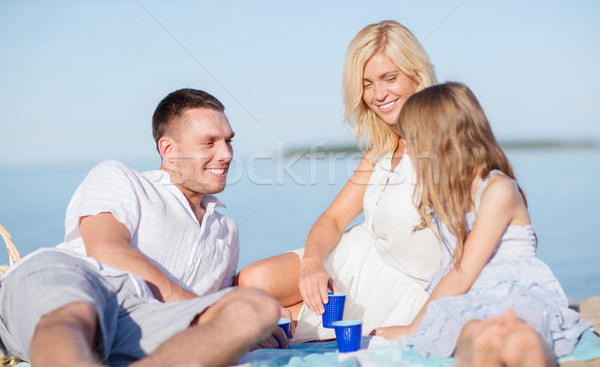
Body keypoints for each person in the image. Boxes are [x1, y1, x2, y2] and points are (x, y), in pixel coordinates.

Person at [0, 88, 286, 367]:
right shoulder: (122, 178)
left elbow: (210, 309)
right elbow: (106, 249)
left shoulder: (226, 232)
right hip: (82, 284)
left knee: (256, 308)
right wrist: (209, 311)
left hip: (145, 323)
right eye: (209, 143)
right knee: (77, 311)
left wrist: (229, 317)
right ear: (168, 150)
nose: (226, 154)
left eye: (228, 141)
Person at [237, 20, 442, 342]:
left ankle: (286, 324)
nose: (379, 94)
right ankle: (285, 321)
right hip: (359, 253)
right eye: (367, 84)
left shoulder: (447, 143)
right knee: (251, 282)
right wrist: (311, 265)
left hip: (404, 280)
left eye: (390, 78)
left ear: (417, 75)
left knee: (258, 313)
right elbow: (334, 218)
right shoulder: (382, 149)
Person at [372, 82, 594, 365]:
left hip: (514, 289)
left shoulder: (497, 189)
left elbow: (463, 272)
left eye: (413, 142)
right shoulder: (448, 195)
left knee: (519, 336)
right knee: (474, 336)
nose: (410, 152)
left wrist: (411, 329)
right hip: (470, 297)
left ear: (439, 141)